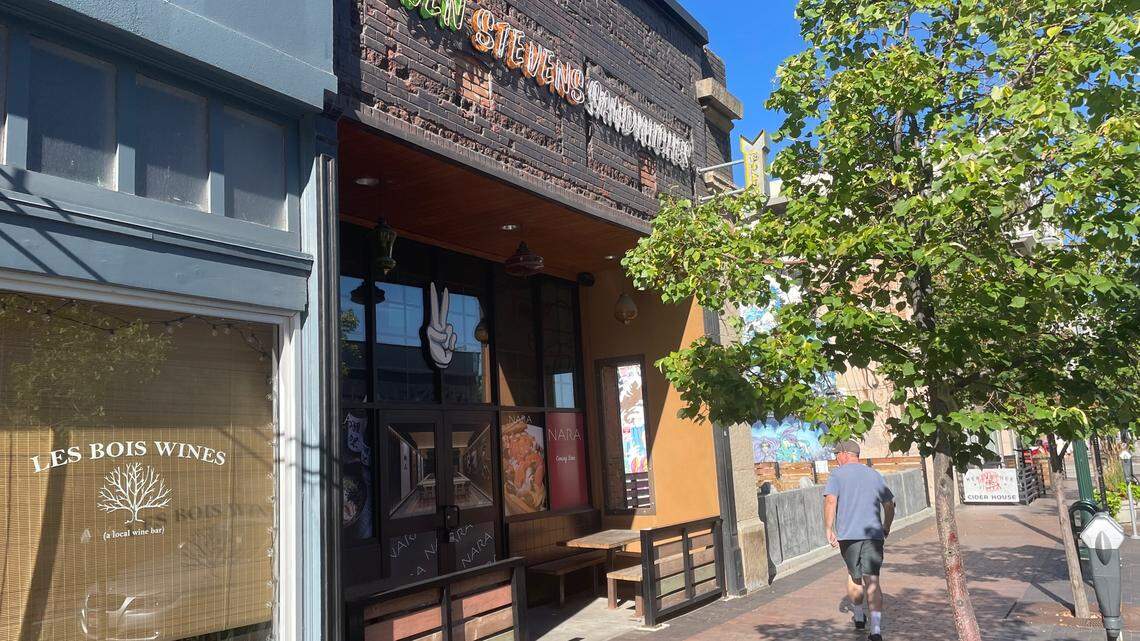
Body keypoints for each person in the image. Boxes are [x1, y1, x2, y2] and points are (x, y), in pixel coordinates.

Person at [824, 440, 895, 641]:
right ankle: (876, 629)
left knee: (854, 576)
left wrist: (828, 528)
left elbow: (830, 500)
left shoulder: (837, 475)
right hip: (874, 535)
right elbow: (889, 505)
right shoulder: (874, 474)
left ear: (845, 454)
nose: (836, 458)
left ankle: (858, 615)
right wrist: (886, 527)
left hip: (848, 536)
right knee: (872, 580)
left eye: (837, 454)